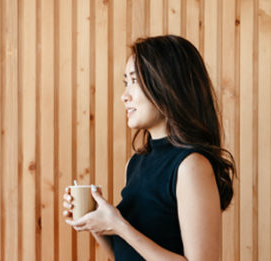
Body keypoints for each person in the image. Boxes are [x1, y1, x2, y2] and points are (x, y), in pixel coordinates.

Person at [63, 35, 236, 260]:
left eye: (135, 81)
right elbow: (124, 254)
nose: (124, 96)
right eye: (126, 82)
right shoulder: (135, 163)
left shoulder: (191, 166)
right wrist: (98, 221)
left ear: (167, 86)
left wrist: (120, 226)